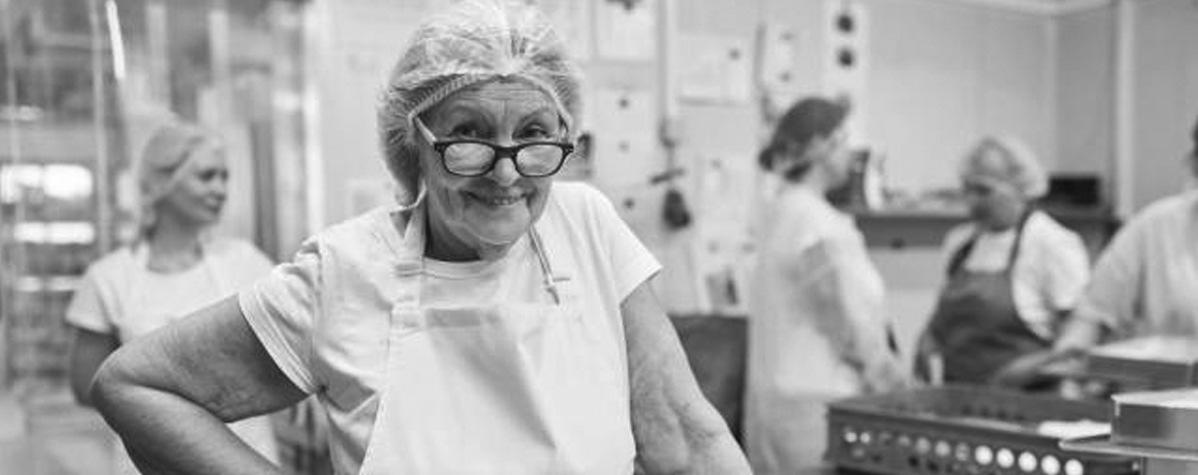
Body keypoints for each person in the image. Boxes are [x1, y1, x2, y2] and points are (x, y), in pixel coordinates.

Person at [88, 1, 750, 474]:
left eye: (533, 136)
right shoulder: (345, 271)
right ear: (415, 142)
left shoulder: (586, 226)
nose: (505, 173)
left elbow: (686, 436)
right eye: (468, 136)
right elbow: (136, 385)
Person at [65, 122, 280, 472]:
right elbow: (86, 386)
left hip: (244, 459)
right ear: (163, 183)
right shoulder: (109, 279)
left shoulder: (246, 263)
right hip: (149, 463)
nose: (220, 189)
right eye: (206, 176)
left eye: (224, 177)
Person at [744, 96, 908, 474]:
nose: (851, 154)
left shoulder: (782, 211)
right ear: (821, 147)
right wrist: (894, 383)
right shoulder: (815, 222)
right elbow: (843, 319)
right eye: (845, 141)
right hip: (819, 409)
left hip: (780, 405)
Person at [916, 136, 1090, 389]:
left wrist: (1027, 370)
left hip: (1028, 399)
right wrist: (927, 341)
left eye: (983, 191)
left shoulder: (1053, 244)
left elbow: (1077, 342)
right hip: (959, 395)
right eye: (966, 190)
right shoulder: (960, 243)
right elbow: (942, 318)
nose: (972, 202)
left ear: (1021, 189)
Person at [1055, 113, 1198, 351]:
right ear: (1194, 163)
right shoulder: (1156, 225)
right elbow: (1094, 313)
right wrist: (1074, 347)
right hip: (1166, 374)